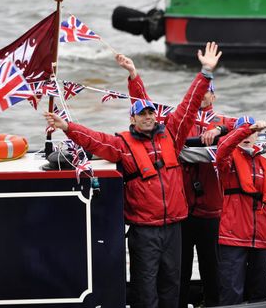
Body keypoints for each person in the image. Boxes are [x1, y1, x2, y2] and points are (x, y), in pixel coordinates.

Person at [44, 42, 222, 308]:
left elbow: (188, 105)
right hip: (144, 232)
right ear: (133, 118)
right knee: (145, 290)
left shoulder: (171, 136)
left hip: (174, 228)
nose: (148, 117)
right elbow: (95, 140)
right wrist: (67, 127)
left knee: (172, 287)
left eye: (151, 112)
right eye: (143, 114)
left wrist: (205, 72)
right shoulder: (123, 144)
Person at [116, 51, 236, 307]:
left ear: (214, 95)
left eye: (208, 92)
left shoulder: (223, 121)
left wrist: (220, 130)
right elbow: (143, 109)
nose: (204, 96)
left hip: (210, 209)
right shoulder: (175, 125)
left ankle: (214, 303)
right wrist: (134, 75)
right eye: (201, 92)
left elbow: (245, 126)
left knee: (210, 266)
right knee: (177, 270)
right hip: (181, 211)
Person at [215, 116, 266, 305]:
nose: (248, 135)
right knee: (231, 290)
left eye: (253, 132)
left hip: (262, 236)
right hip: (233, 235)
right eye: (244, 131)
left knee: (260, 290)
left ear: (258, 135)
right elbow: (223, 147)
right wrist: (246, 128)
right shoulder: (227, 157)